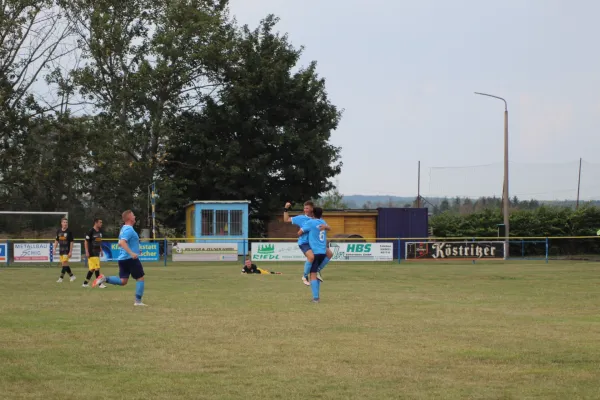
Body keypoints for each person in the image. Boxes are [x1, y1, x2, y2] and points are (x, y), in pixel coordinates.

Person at [93, 210, 146, 306]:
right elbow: (122, 243)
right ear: (129, 218)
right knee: (140, 278)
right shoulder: (129, 229)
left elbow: (119, 243)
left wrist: (136, 250)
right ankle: (138, 301)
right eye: (133, 215)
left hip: (122, 259)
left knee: (123, 281)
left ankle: (105, 279)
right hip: (130, 259)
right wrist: (131, 253)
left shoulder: (123, 229)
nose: (135, 217)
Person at [283, 201, 333, 285]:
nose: (305, 210)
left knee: (329, 254)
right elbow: (286, 219)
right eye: (304, 208)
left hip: (315, 243)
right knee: (311, 257)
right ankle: (305, 276)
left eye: (307, 208)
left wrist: (326, 227)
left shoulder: (318, 219)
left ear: (312, 209)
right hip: (304, 242)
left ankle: (317, 270)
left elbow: (328, 227)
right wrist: (285, 209)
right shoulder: (301, 218)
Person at [299, 207, 327, 303]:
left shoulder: (311, 222)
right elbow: (328, 228)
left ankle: (316, 298)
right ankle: (316, 297)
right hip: (323, 252)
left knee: (313, 275)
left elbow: (299, 232)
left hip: (315, 251)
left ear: (313, 214)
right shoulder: (323, 222)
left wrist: (305, 231)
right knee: (316, 273)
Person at [83, 218, 106, 288]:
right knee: (97, 268)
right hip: (92, 252)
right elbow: (86, 242)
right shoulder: (91, 231)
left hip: (97, 252)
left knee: (92, 269)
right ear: (96, 223)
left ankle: (85, 283)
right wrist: (86, 251)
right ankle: (100, 284)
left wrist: (101, 250)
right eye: (100, 222)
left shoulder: (100, 232)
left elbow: (98, 242)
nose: (101, 224)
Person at [55, 217, 75, 283]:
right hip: (61, 250)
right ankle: (72, 276)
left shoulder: (69, 232)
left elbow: (72, 242)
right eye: (64, 222)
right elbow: (56, 240)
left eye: (66, 222)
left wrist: (70, 251)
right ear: (61, 223)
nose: (65, 223)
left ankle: (61, 278)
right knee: (65, 265)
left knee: (64, 263)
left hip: (67, 250)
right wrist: (54, 249)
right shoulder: (58, 231)